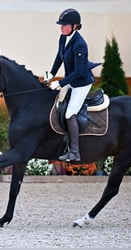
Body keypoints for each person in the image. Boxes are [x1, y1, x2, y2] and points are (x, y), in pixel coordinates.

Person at [45, 8, 99, 162]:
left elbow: (80, 72)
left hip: (81, 83)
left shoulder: (80, 44)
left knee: (70, 113)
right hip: (71, 79)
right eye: (60, 25)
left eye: (64, 25)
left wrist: (60, 83)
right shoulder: (63, 38)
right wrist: (51, 74)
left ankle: (75, 151)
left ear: (75, 26)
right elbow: (59, 57)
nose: (61, 27)